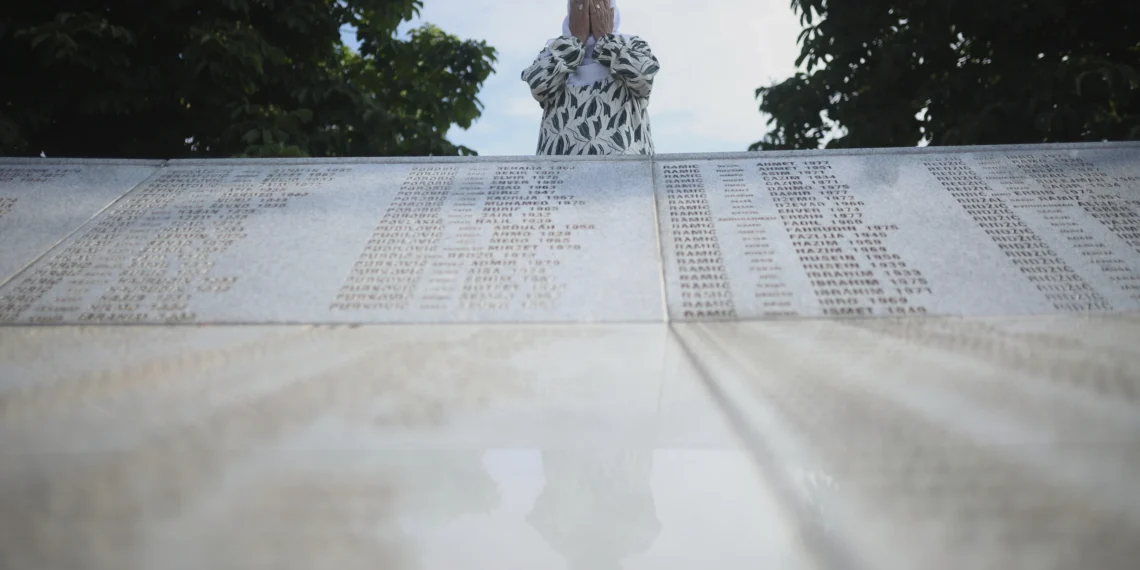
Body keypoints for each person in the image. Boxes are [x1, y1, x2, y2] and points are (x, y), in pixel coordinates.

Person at [521, 1, 659, 155]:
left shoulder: (631, 46)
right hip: (558, 172)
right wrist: (575, 41)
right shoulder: (553, 52)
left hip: (627, 170)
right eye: (582, 5)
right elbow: (539, 86)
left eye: (597, 4)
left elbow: (643, 79)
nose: (591, 11)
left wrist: (606, 38)